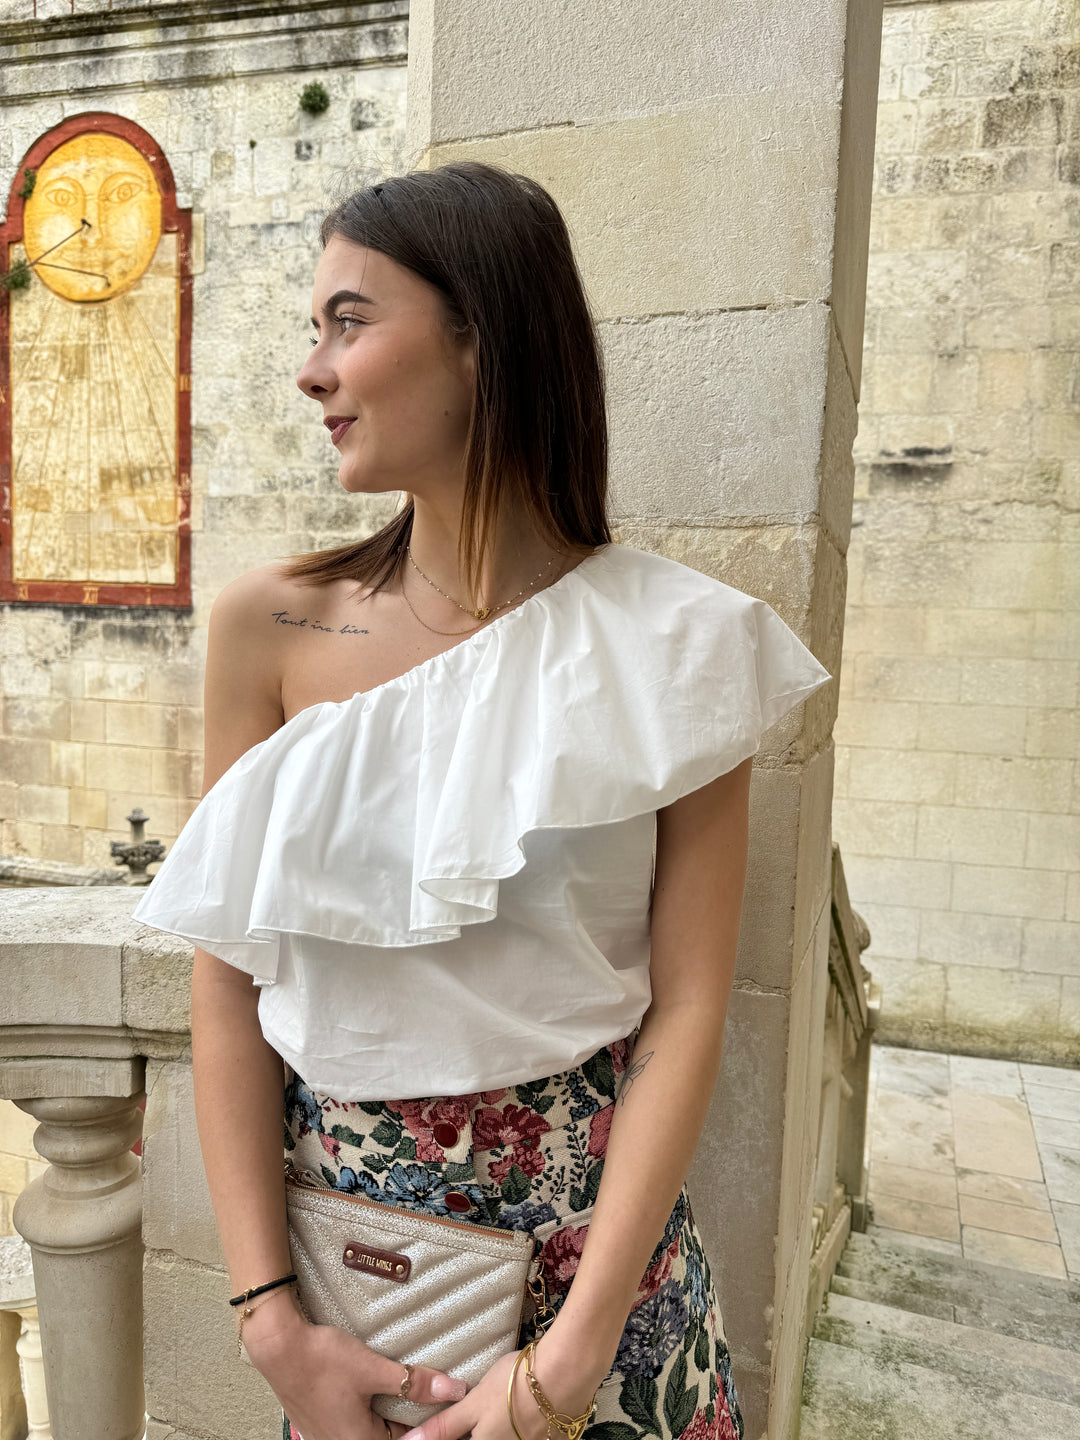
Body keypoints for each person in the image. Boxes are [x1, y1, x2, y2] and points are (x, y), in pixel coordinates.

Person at [133, 160, 831, 1440]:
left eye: (349, 321)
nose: (311, 371)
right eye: (313, 330)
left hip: (606, 1300)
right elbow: (226, 981)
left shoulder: (679, 649)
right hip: (359, 1306)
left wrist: (568, 1364)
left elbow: (687, 1011)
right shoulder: (268, 627)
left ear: (480, 335)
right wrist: (270, 1323)